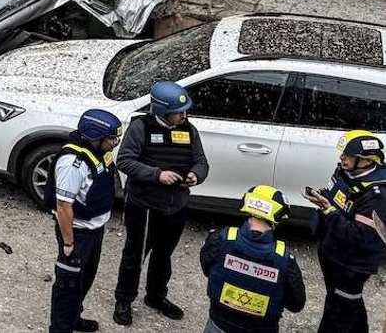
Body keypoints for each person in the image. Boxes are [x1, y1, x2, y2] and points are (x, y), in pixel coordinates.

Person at [113, 81, 209, 325]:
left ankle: (155, 296)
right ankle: (124, 299)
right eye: (179, 112)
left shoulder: (189, 130)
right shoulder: (140, 127)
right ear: (162, 111)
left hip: (175, 206)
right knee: (135, 254)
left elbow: (201, 161)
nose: (184, 115)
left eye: (185, 110)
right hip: (144, 206)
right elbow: (124, 161)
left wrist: (196, 175)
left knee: (164, 255)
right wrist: (157, 174)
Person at [47, 109, 123, 333]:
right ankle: (61, 328)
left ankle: (74, 318)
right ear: (94, 137)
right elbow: (63, 205)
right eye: (111, 139)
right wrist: (69, 242)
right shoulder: (73, 164)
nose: (115, 142)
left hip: (95, 229)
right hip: (78, 234)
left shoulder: (99, 152)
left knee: (85, 278)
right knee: (68, 285)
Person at [303, 130, 386, 333]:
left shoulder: (377, 195)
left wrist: (330, 212)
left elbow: (362, 239)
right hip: (332, 250)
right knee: (343, 303)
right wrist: (324, 198)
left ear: (364, 160)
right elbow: (337, 195)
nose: (341, 158)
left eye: (346, 155)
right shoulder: (345, 171)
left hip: (351, 264)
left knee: (339, 309)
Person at [200, 185, 305, 333]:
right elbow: (296, 304)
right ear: (277, 217)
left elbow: (207, 268)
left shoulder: (221, 239)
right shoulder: (284, 259)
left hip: (218, 324)